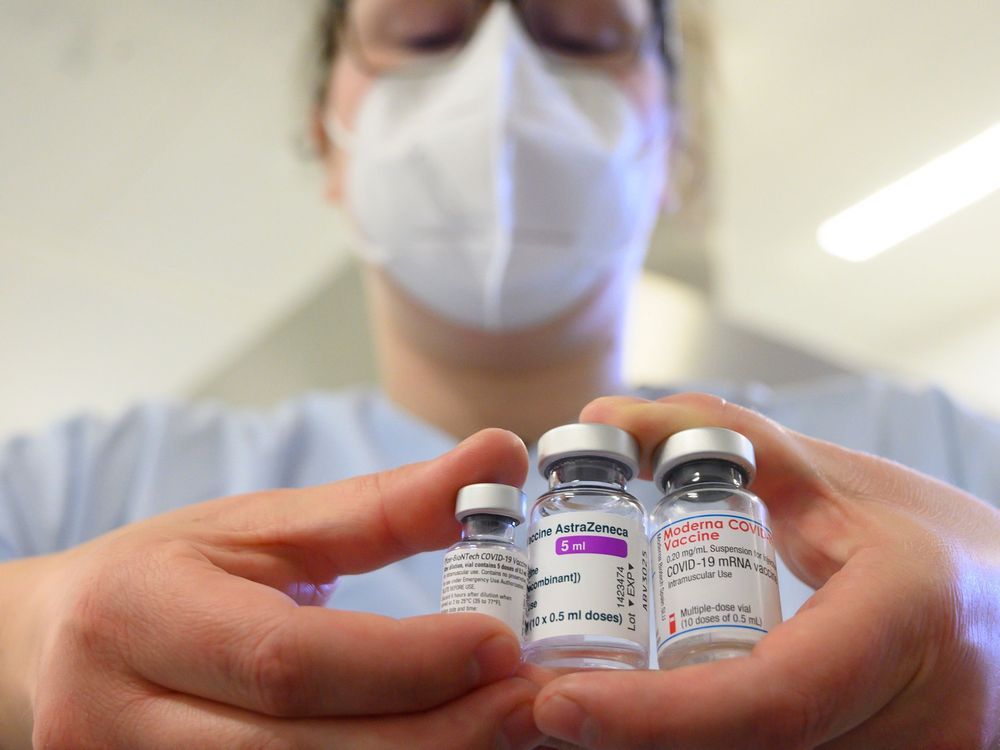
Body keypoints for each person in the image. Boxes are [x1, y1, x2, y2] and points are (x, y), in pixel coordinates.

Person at [0, 1, 998, 748]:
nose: (501, 87)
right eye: (428, 33)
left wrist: (985, 633)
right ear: (326, 141)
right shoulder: (79, 486)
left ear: (673, 153)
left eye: (579, 33)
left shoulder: (929, 456)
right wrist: (39, 633)